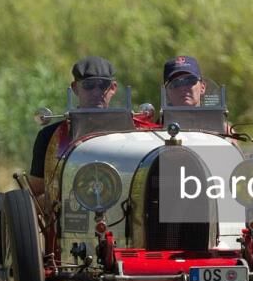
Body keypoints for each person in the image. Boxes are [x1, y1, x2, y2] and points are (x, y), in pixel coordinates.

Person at [27, 56, 156, 200]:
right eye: (89, 85)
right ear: (75, 88)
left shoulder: (136, 133)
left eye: (103, 85)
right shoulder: (50, 136)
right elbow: (36, 195)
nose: (96, 92)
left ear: (113, 88)